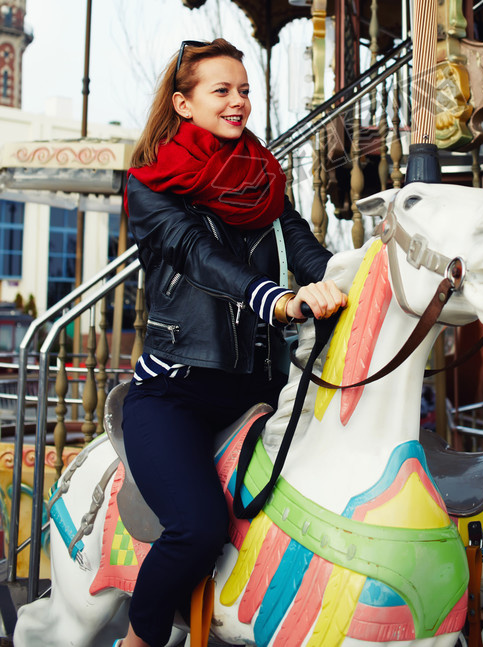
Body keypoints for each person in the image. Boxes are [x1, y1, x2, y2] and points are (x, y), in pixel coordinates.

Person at [117, 38, 346, 647]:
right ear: (184, 104)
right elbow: (200, 257)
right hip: (177, 394)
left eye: (244, 90)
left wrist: (356, 278)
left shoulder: (264, 180)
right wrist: (277, 299)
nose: (239, 101)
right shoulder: (152, 186)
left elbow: (306, 249)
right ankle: (140, 640)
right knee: (197, 526)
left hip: (259, 392)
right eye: (222, 90)